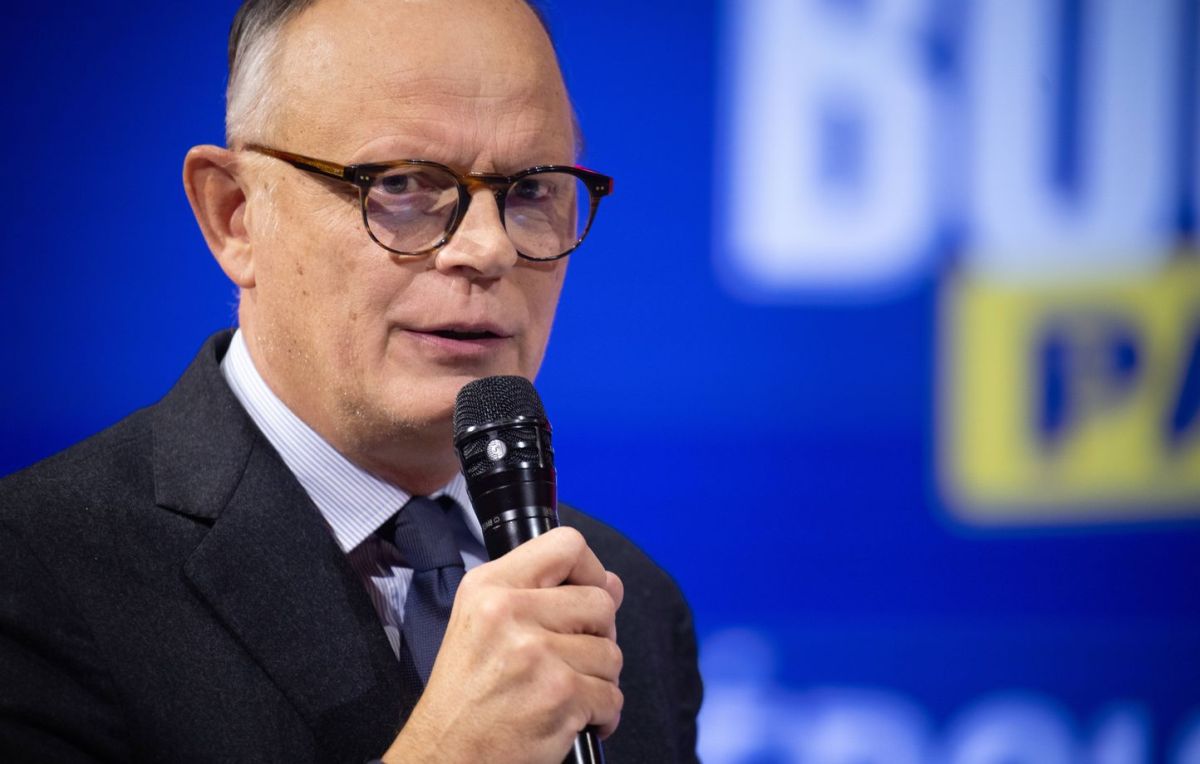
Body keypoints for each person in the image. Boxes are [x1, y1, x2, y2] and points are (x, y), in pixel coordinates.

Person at [0, 1, 702, 762]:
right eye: (403, 183)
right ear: (236, 215)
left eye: (531, 192)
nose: (488, 249)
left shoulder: (628, 604)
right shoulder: (33, 573)